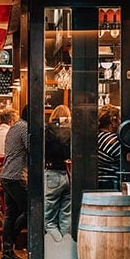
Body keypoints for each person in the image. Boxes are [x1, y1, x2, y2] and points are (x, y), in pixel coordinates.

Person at [0, 104, 29, 259]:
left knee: (11, 214)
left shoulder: (15, 127)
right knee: (30, 211)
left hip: (7, 176)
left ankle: (7, 251)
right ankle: (11, 241)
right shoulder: (24, 127)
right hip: (17, 176)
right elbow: (33, 149)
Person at [44, 104, 72, 242]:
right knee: (66, 218)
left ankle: (59, 247)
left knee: (48, 221)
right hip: (67, 175)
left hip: (51, 174)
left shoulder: (47, 131)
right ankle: (66, 251)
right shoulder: (72, 131)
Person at [97, 104, 122, 190]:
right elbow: (126, 163)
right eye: (119, 119)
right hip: (111, 185)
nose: (120, 123)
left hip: (98, 184)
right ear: (112, 121)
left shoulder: (97, 137)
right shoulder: (113, 141)